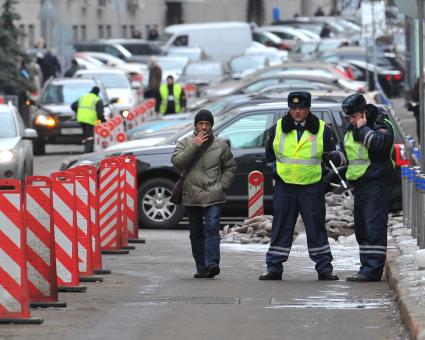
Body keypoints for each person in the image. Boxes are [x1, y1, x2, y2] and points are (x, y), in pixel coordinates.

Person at [260, 91, 341, 281]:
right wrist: (277, 173)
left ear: (308, 109)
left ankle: (324, 268)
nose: (297, 112)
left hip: (311, 187)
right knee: (281, 227)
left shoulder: (322, 129)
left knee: (316, 227)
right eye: (293, 108)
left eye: (301, 108)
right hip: (285, 186)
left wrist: (330, 165)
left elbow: (335, 156)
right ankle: (274, 267)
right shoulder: (277, 128)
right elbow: (269, 156)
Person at [171, 109, 237, 278]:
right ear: (195, 125)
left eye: (207, 124)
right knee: (196, 231)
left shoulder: (220, 145)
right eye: (201, 123)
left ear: (212, 126)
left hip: (213, 194)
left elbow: (230, 166)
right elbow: (177, 162)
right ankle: (201, 267)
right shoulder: (185, 142)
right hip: (191, 194)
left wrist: (221, 185)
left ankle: (212, 263)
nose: (204, 127)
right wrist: (195, 145)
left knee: (212, 228)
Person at [336, 93, 394, 282]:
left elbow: (379, 147)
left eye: (355, 117)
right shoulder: (351, 129)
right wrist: (337, 159)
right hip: (360, 185)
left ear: (364, 113)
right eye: (349, 118)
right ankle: (366, 267)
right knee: (362, 229)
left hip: (376, 184)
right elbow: (349, 154)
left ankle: (373, 270)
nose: (352, 121)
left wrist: (362, 128)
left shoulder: (381, 125)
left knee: (374, 228)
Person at [71, 86, 106, 153]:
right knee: (90, 137)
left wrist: (78, 112)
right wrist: (103, 122)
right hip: (91, 121)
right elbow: (100, 114)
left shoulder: (83, 97)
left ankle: (87, 148)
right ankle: (87, 151)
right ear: (98, 92)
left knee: (86, 136)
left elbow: (73, 106)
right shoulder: (97, 99)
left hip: (81, 119)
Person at [408, 77, 420, 143]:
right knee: (419, 128)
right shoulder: (419, 82)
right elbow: (414, 95)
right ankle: (421, 143)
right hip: (419, 110)